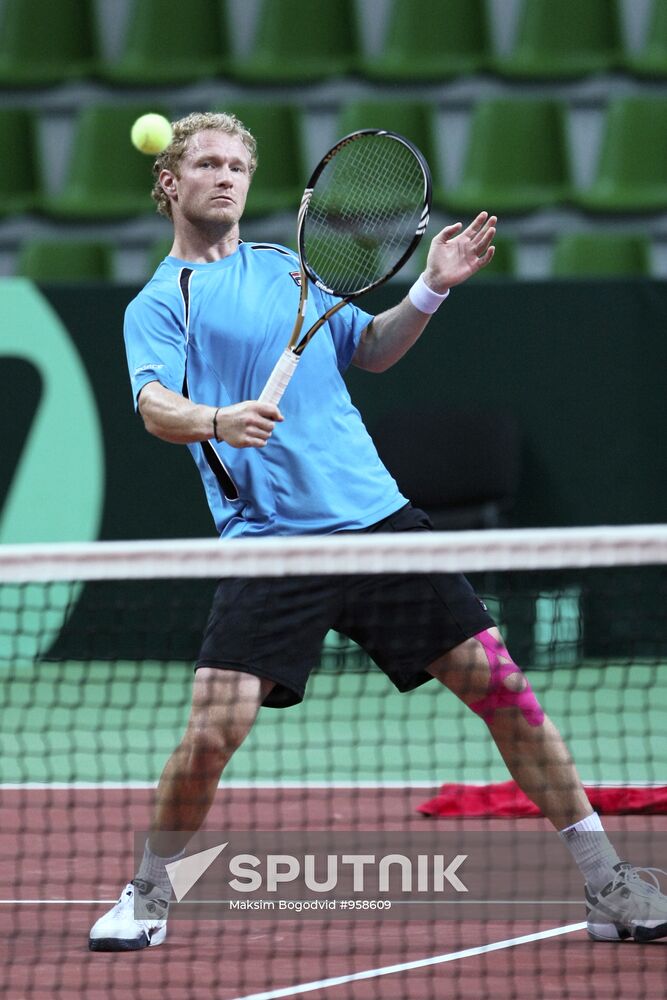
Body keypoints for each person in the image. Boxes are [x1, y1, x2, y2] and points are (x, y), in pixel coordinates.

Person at [89, 111, 666, 951]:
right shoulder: (159, 302)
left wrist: (429, 288)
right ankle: (148, 894)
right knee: (213, 730)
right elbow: (153, 407)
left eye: (237, 165)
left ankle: (608, 882)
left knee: (505, 694)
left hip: (379, 526)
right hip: (271, 544)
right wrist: (216, 419)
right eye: (206, 163)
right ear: (169, 183)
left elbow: (372, 348)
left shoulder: (290, 269)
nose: (225, 176)